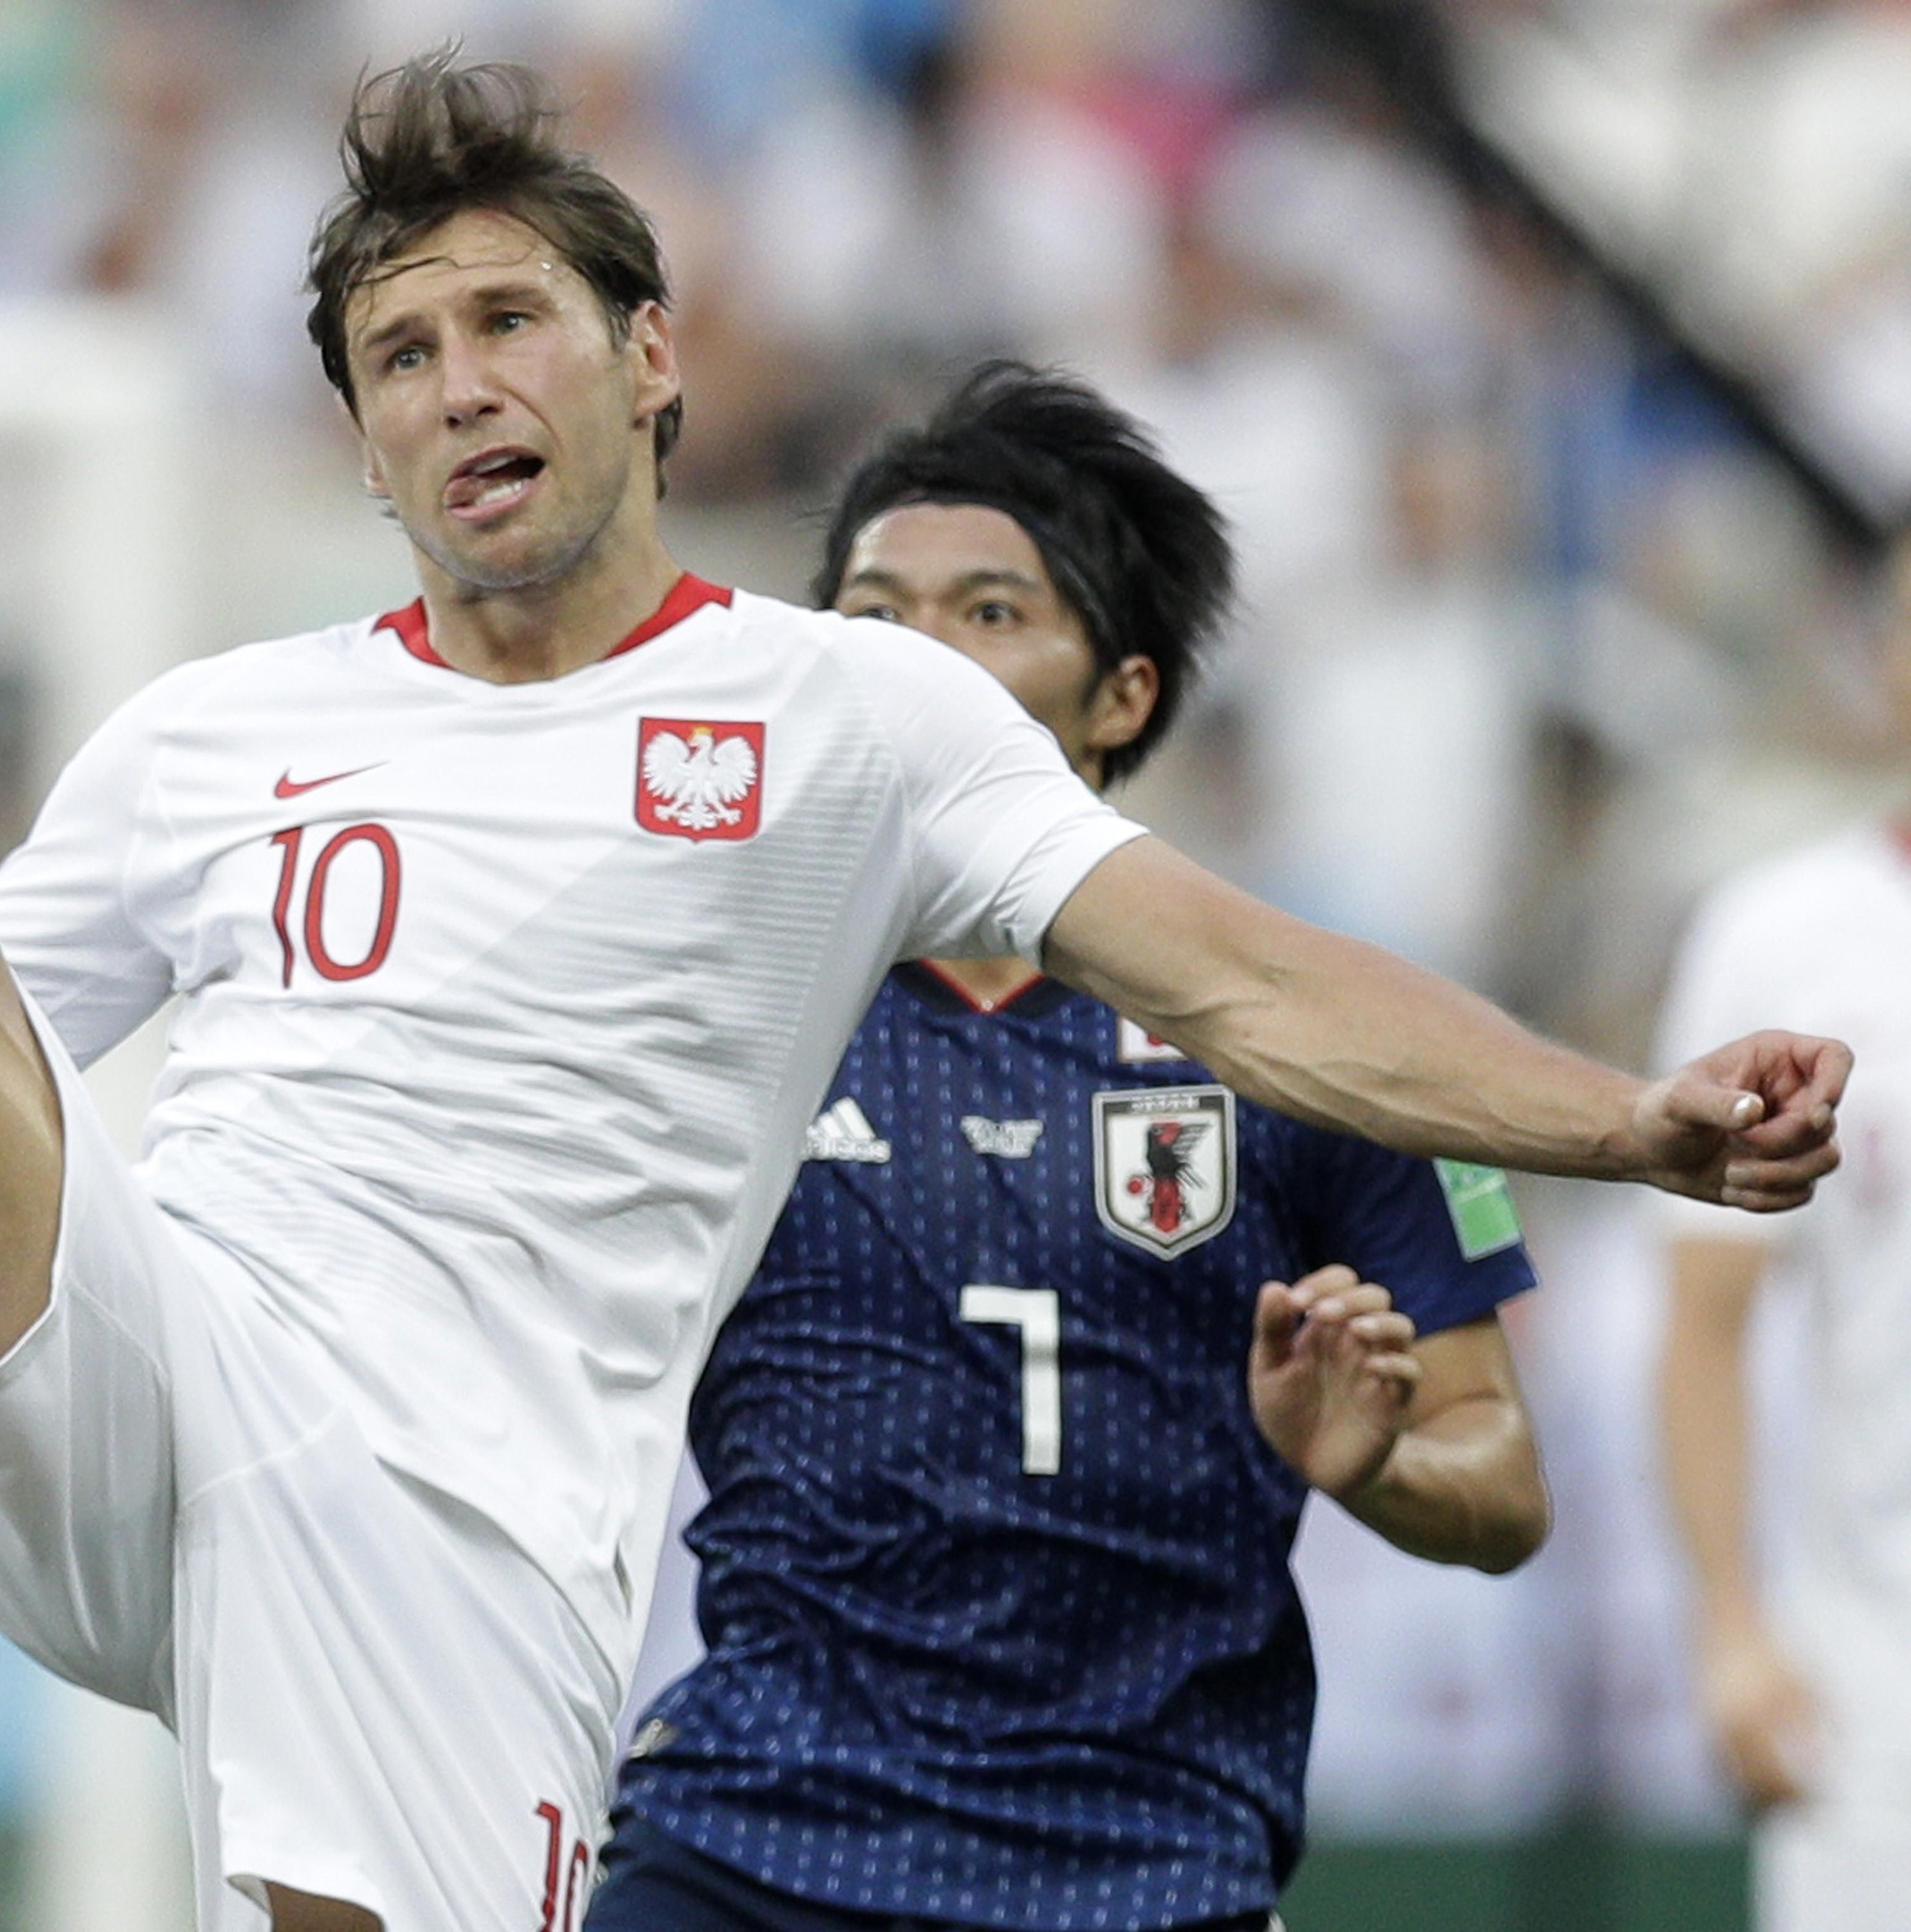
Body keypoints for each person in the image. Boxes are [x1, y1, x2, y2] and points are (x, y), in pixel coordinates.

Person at [0, 55, 1844, 1932]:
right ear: (359, 442)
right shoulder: (215, 732)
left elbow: (1253, 984)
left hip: (466, 1508)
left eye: (509, 323)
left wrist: (1628, 1122)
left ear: (650, 354)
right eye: (400, 355)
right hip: (137, 1366)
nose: (462, 382)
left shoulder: (848, 709)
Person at [591, 365, 1551, 1932]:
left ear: (1122, 696)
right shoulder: (708, 1006)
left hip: (1141, 1867)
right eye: (872, 617)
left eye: (987, 612)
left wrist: (1374, 1467)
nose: (914, 665)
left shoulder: (1315, 1027)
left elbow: (1503, 1485)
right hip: (758, 1837)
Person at [1654, 542, 1911, 1932]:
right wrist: (1731, 1625)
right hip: (1875, 1677)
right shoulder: (1783, 934)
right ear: (1885, 659)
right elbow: (1704, 1325)